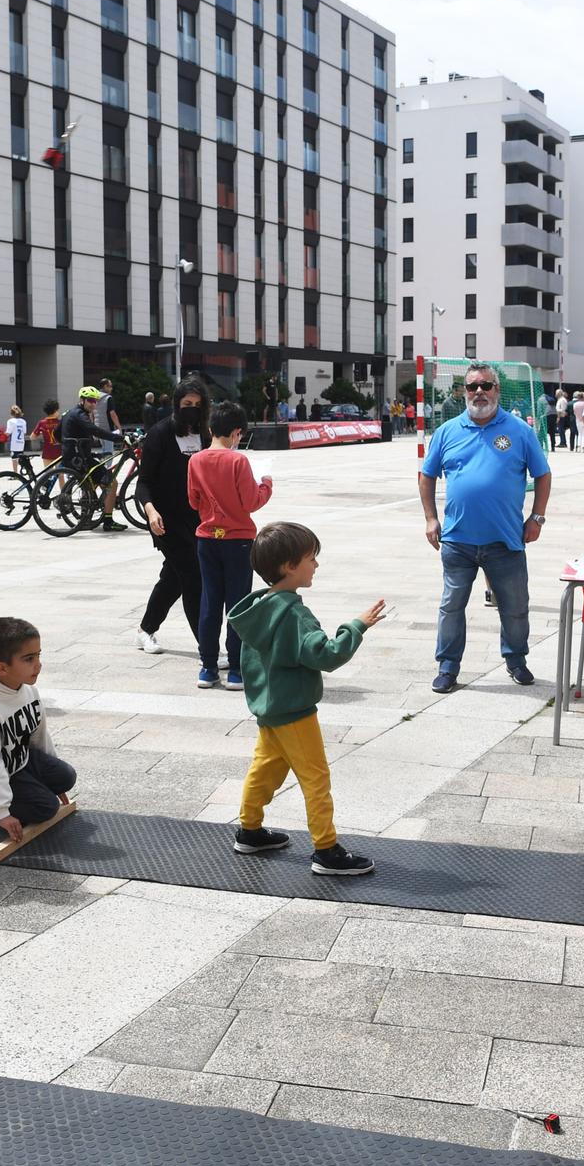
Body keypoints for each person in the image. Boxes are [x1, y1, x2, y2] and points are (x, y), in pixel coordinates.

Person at [227, 521, 385, 876]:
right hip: (295, 711)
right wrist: (356, 627)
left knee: (265, 768)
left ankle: (249, 830)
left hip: (269, 706)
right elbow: (326, 655)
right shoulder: (294, 613)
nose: (316, 565)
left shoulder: (259, 608)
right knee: (316, 778)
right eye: (311, 558)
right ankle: (327, 850)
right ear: (289, 567)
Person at [418, 361, 551, 693]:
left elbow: (543, 474)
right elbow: (426, 475)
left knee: (515, 606)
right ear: (464, 391)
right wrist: (430, 518)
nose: (479, 392)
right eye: (472, 386)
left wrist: (536, 517)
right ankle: (447, 667)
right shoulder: (447, 431)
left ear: (497, 390)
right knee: (451, 606)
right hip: (458, 540)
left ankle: (516, 661)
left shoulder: (519, 431)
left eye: (486, 386)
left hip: (506, 541)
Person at [0, 616, 77, 848]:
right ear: (1, 668)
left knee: (66, 777)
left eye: (39, 655)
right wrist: (1, 812)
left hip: (19, 760)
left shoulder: (28, 690)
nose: (38, 664)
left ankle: (13, 796)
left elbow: (39, 736)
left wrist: (53, 783)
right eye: (29, 659)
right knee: (46, 808)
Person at [187, 401, 271, 689]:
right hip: (238, 540)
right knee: (238, 603)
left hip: (207, 538)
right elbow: (251, 502)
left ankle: (208, 667)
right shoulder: (238, 462)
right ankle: (236, 668)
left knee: (210, 602)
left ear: (210, 429)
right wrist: (267, 483)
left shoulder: (195, 460)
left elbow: (193, 500)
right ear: (237, 433)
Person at [135, 376, 209, 656]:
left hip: (197, 519)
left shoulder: (205, 434)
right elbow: (144, 482)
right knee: (192, 577)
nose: (192, 408)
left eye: (198, 405)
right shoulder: (160, 433)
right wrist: (150, 510)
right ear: (177, 404)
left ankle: (145, 629)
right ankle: (207, 645)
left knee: (173, 578)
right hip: (164, 520)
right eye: (187, 403)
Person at [60, 386, 127, 532]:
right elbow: (94, 430)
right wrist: (119, 438)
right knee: (112, 483)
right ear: (82, 400)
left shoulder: (68, 413)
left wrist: (71, 445)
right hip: (81, 459)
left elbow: (57, 432)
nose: (93, 404)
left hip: (72, 458)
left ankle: (87, 515)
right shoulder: (80, 415)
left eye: (95, 401)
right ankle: (108, 521)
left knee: (92, 483)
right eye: (90, 400)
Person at [3, 404, 31, 476]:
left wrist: (3, 433)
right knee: (20, 457)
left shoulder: (10, 421)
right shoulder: (23, 421)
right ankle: (27, 469)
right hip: (21, 442)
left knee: (14, 458)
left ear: (11, 413)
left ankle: (15, 474)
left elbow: (8, 433)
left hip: (14, 442)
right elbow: (24, 432)